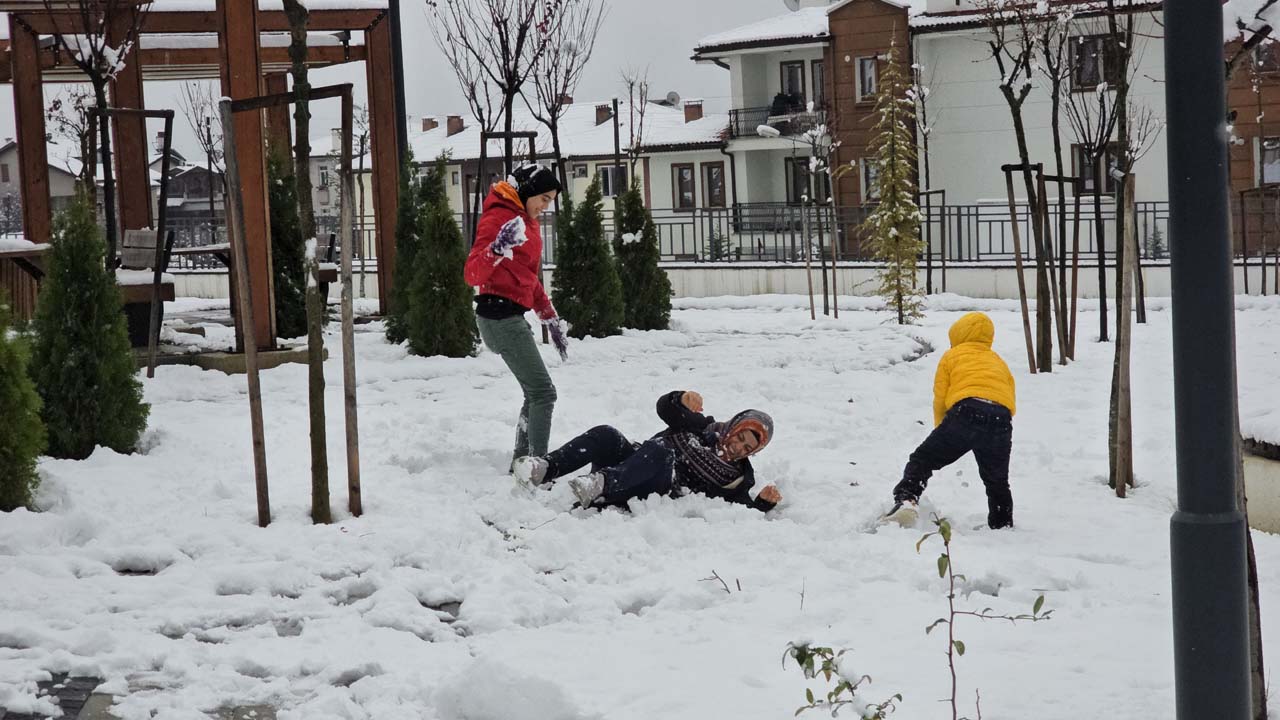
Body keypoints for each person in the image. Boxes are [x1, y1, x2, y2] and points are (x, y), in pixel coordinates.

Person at [512, 390, 782, 512]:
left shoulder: (737, 475)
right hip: (633, 463)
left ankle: (600, 484)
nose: (738, 448)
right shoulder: (702, 427)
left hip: (653, 487)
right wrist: (679, 398)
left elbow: (743, 507)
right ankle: (545, 469)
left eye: (748, 448)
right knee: (607, 434)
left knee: (662, 451)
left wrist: (763, 503)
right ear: (734, 427)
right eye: (740, 438)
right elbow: (666, 409)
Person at [464, 164, 568, 471]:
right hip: (498, 317)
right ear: (529, 192)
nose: (546, 206)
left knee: (533, 394)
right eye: (544, 199)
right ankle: (536, 467)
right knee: (544, 394)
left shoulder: (526, 220)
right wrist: (497, 249)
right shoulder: (500, 217)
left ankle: (523, 463)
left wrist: (548, 315)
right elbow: (472, 273)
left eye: (550, 201)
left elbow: (527, 276)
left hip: (511, 316)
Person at [884, 312, 1017, 529]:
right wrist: (997, 426)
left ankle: (907, 499)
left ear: (959, 334)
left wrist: (943, 430)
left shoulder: (952, 356)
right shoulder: (998, 360)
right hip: (1001, 419)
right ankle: (1002, 525)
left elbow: (941, 397)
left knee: (923, 459)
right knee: (997, 481)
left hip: (966, 412)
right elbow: (1010, 393)